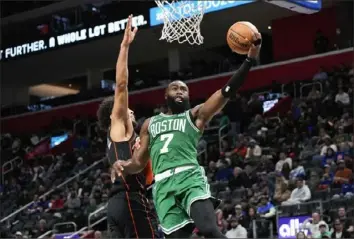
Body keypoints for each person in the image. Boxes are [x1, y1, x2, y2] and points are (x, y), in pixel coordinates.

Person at [112, 32, 262, 238]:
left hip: (189, 177)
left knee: (209, 229)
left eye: (184, 89)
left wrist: (249, 60)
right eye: (175, 88)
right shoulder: (150, 123)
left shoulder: (195, 116)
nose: (180, 91)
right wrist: (124, 165)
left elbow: (225, 92)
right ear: (166, 95)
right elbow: (138, 162)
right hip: (162, 186)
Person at [97, 15, 158, 239]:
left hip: (115, 205)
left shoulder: (118, 140)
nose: (130, 110)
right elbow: (121, 85)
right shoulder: (120, 127)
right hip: (130, 201)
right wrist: (124, 46)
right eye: (125, 109)